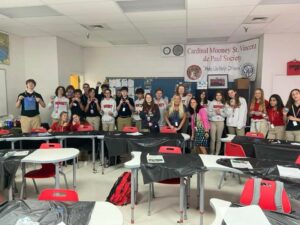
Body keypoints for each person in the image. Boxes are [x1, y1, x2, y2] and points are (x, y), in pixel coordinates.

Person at [208, 91, 226, 155]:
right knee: (213, 139)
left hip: (221, 122)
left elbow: (226, 114)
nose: (218, 96)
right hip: (212, 122)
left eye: (220, 95)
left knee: (219, 139)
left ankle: (217, 153)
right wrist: (215, 112)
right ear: (215, 96)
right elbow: (209, 114)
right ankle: (211, 153)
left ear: (222, 96)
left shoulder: (224, 103)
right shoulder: (211, 103)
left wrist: (220, 113)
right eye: (217, 95)